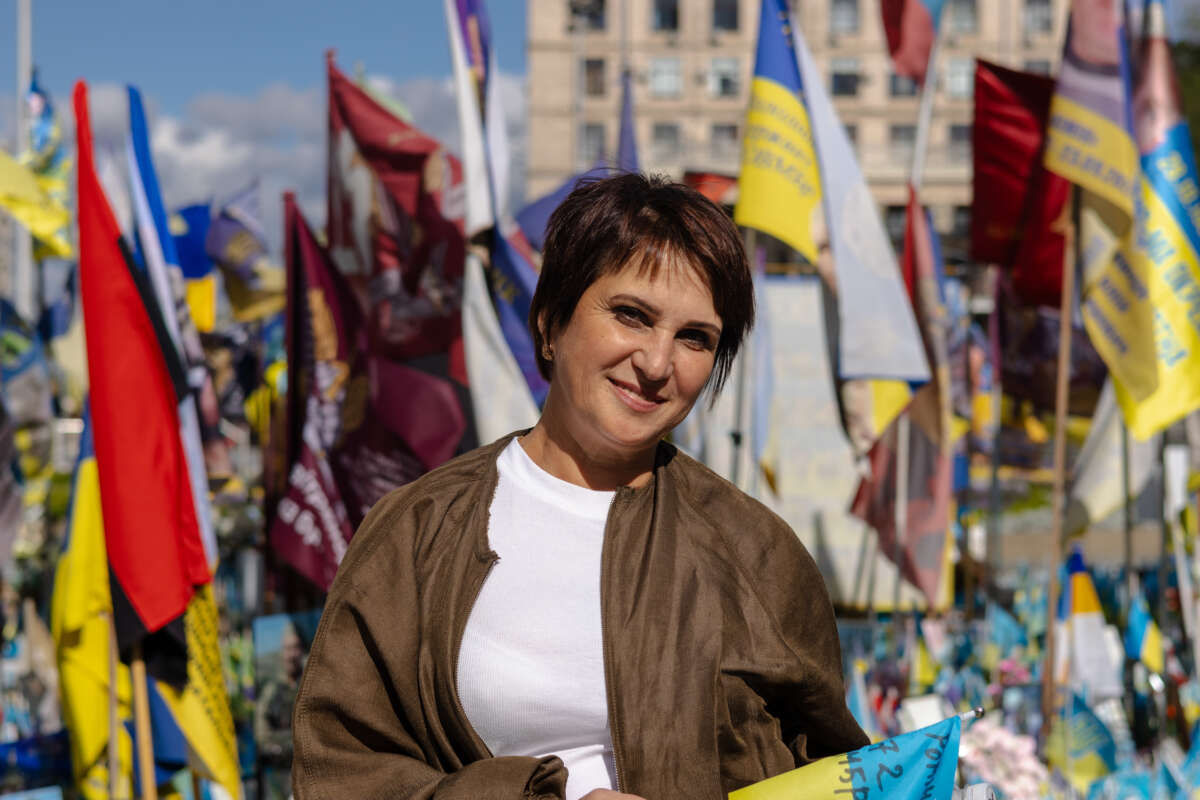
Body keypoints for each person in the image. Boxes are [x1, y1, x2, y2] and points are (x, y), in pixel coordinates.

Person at [291, 173, 868, 800]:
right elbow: (341, 773)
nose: (656, 363)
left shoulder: (759, 554)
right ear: (550, 323)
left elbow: (836, 777)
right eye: (631, 315)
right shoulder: (418, 530)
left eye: (694, 338)